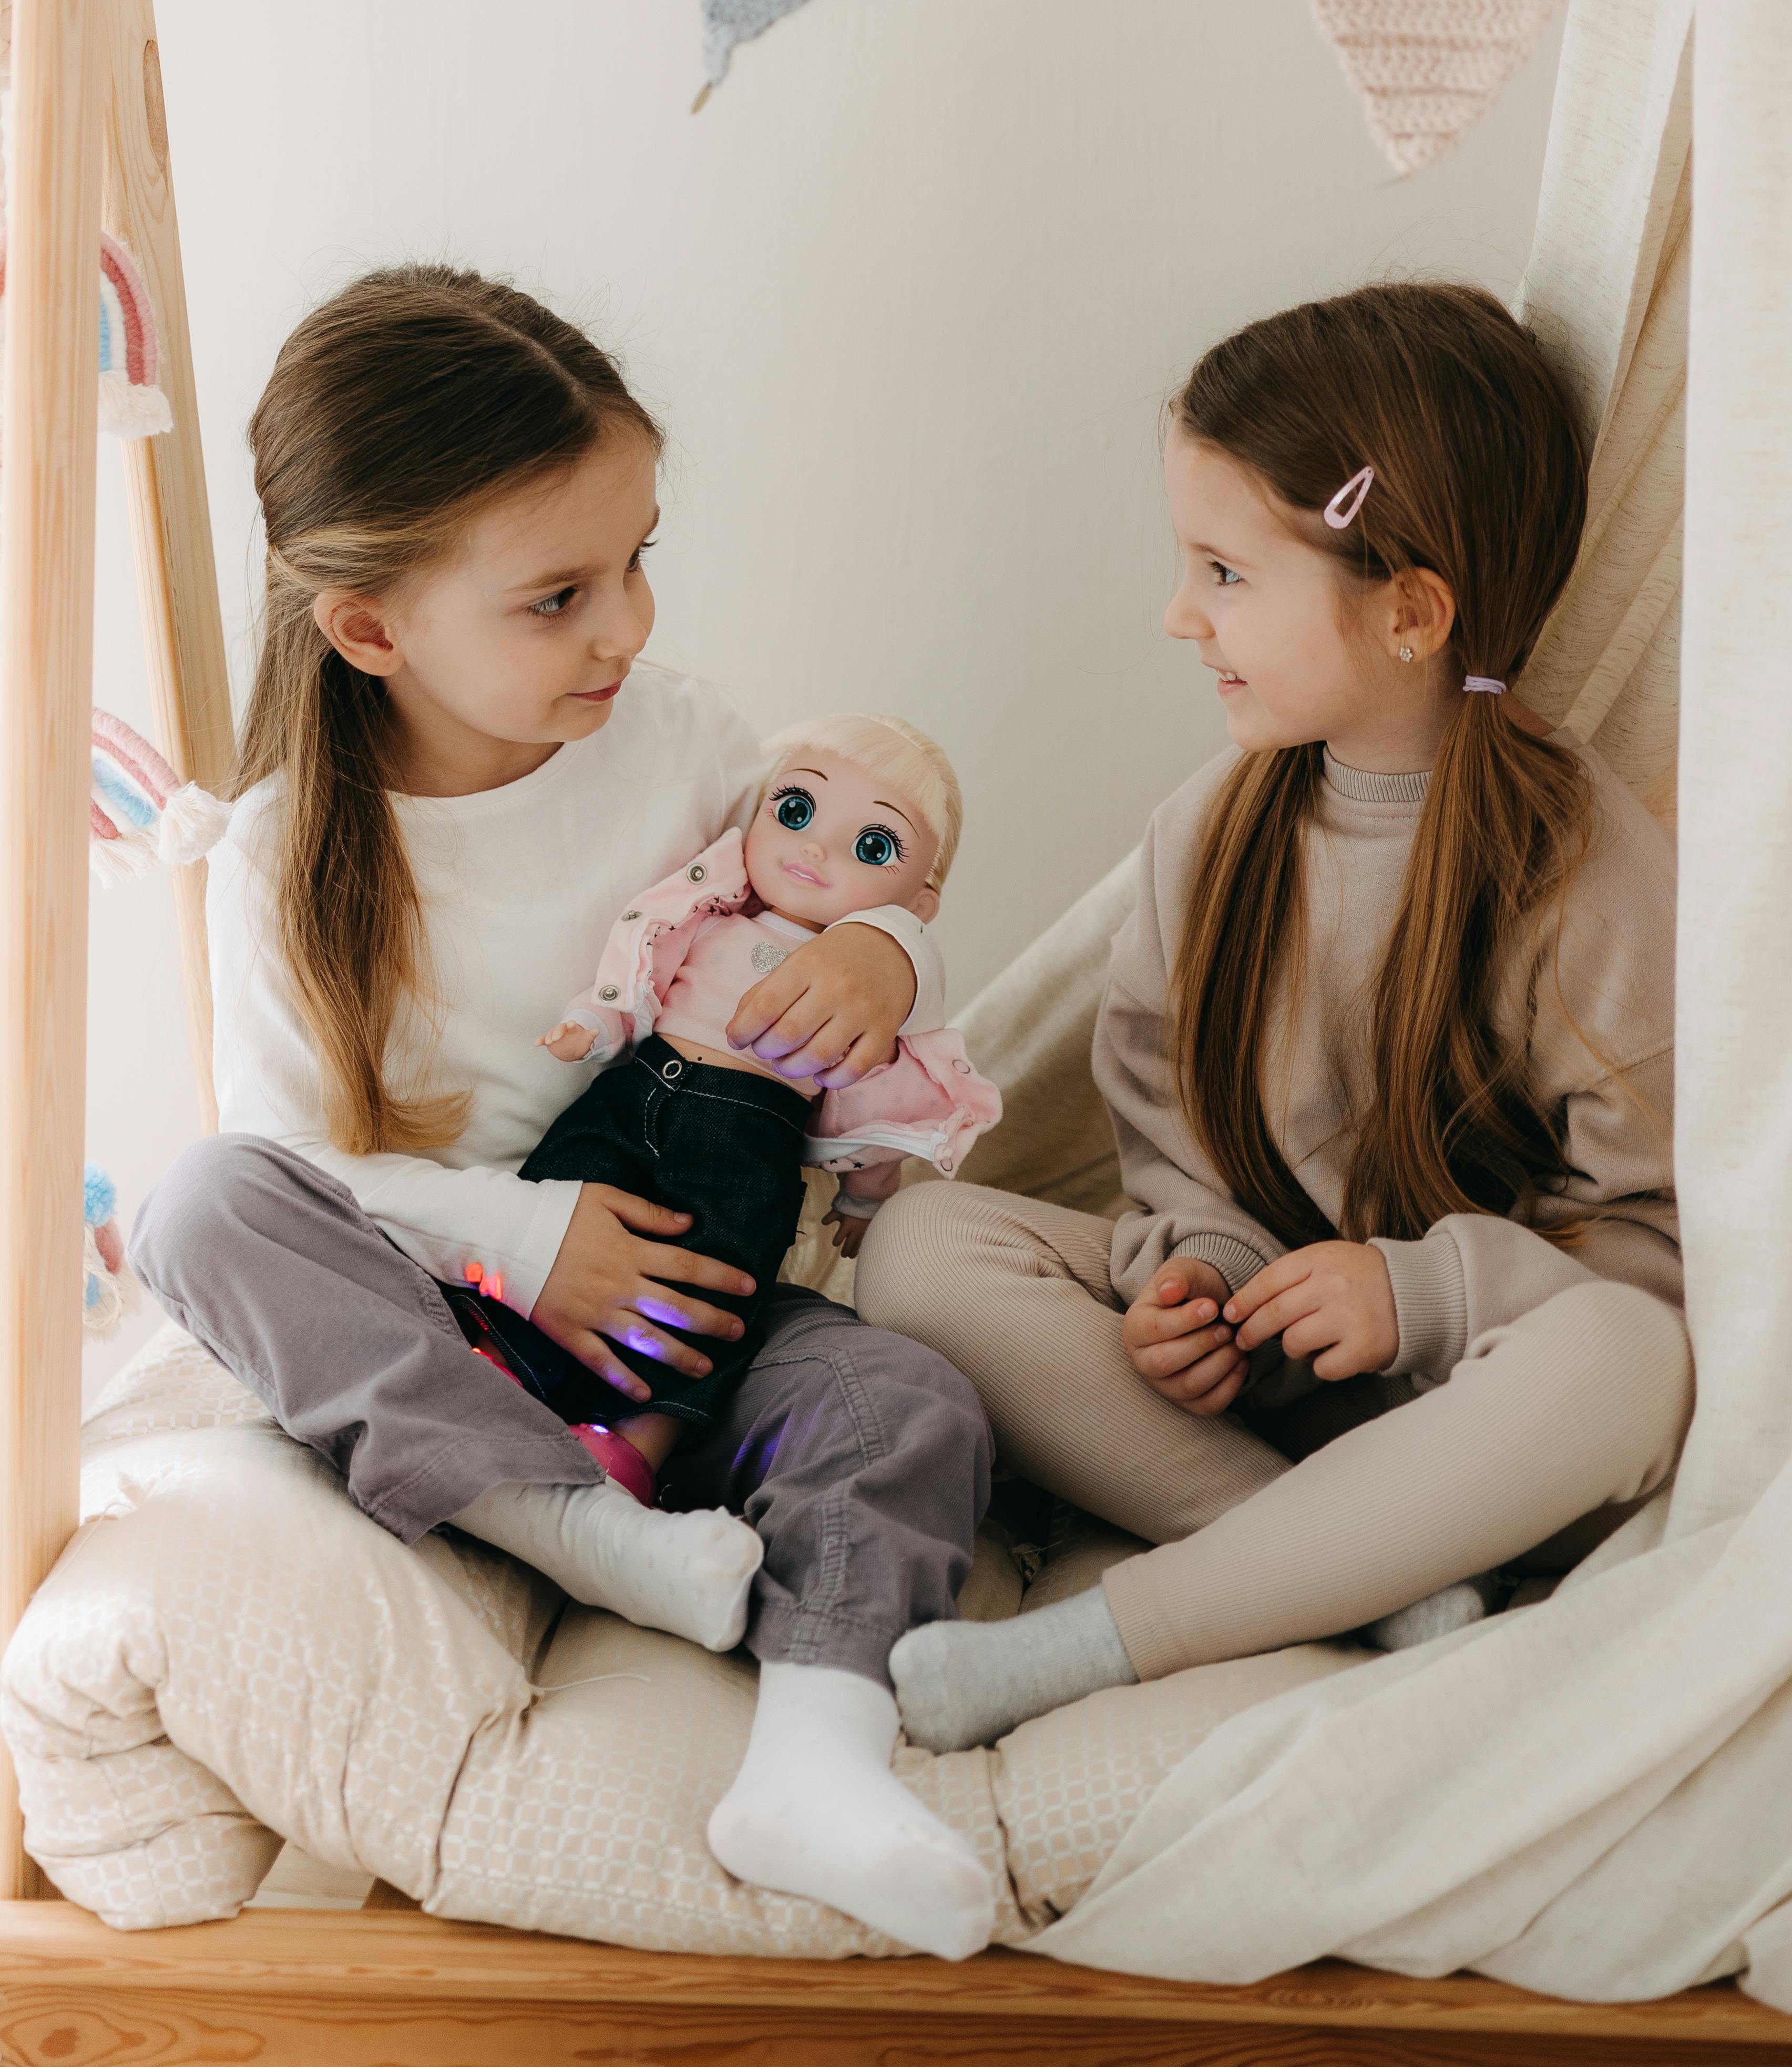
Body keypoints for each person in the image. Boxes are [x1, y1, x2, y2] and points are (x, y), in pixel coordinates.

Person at [130, 265, 997, 1961]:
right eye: (557, 597)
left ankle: (815, 1761)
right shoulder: (281, 852)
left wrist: (889, 956)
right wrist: (534, 1245)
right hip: (452, 1320)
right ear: (373, 628)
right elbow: (304, 1165)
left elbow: (828, 887)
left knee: (910, 1404)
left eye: (639, 561)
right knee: (199, 1206)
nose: (628, 628)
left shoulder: (681, 745)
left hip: (695, 1288)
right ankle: (572, 1526)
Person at [857, 279, 1691, 1754]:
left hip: (1480, 1414)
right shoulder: (1208, 835)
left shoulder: (1592, 873)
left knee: (1631, 1362)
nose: (1182, 616)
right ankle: (1353, 1577)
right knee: (924, 1246)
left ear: (1409, 612)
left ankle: (1132, 1629)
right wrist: (1201, 1272)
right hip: (1267, 1405)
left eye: (1226, 573)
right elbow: (1171, 1143)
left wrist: (1421, 1296)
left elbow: (1654, 1254)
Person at [450, 713, 998, 1503]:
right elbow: (641, 963)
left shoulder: (864, 995)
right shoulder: (709, 914)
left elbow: (876, 1098)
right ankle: (500, 1352)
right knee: (564, 1188)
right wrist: (599, 1021)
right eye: (796, 811)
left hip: (749, 1135)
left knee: (714, 1290)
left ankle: (641, 1442)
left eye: (872, 846)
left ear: (921, 901)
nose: (813, 850)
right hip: (636, 1085)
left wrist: (863, 1197)